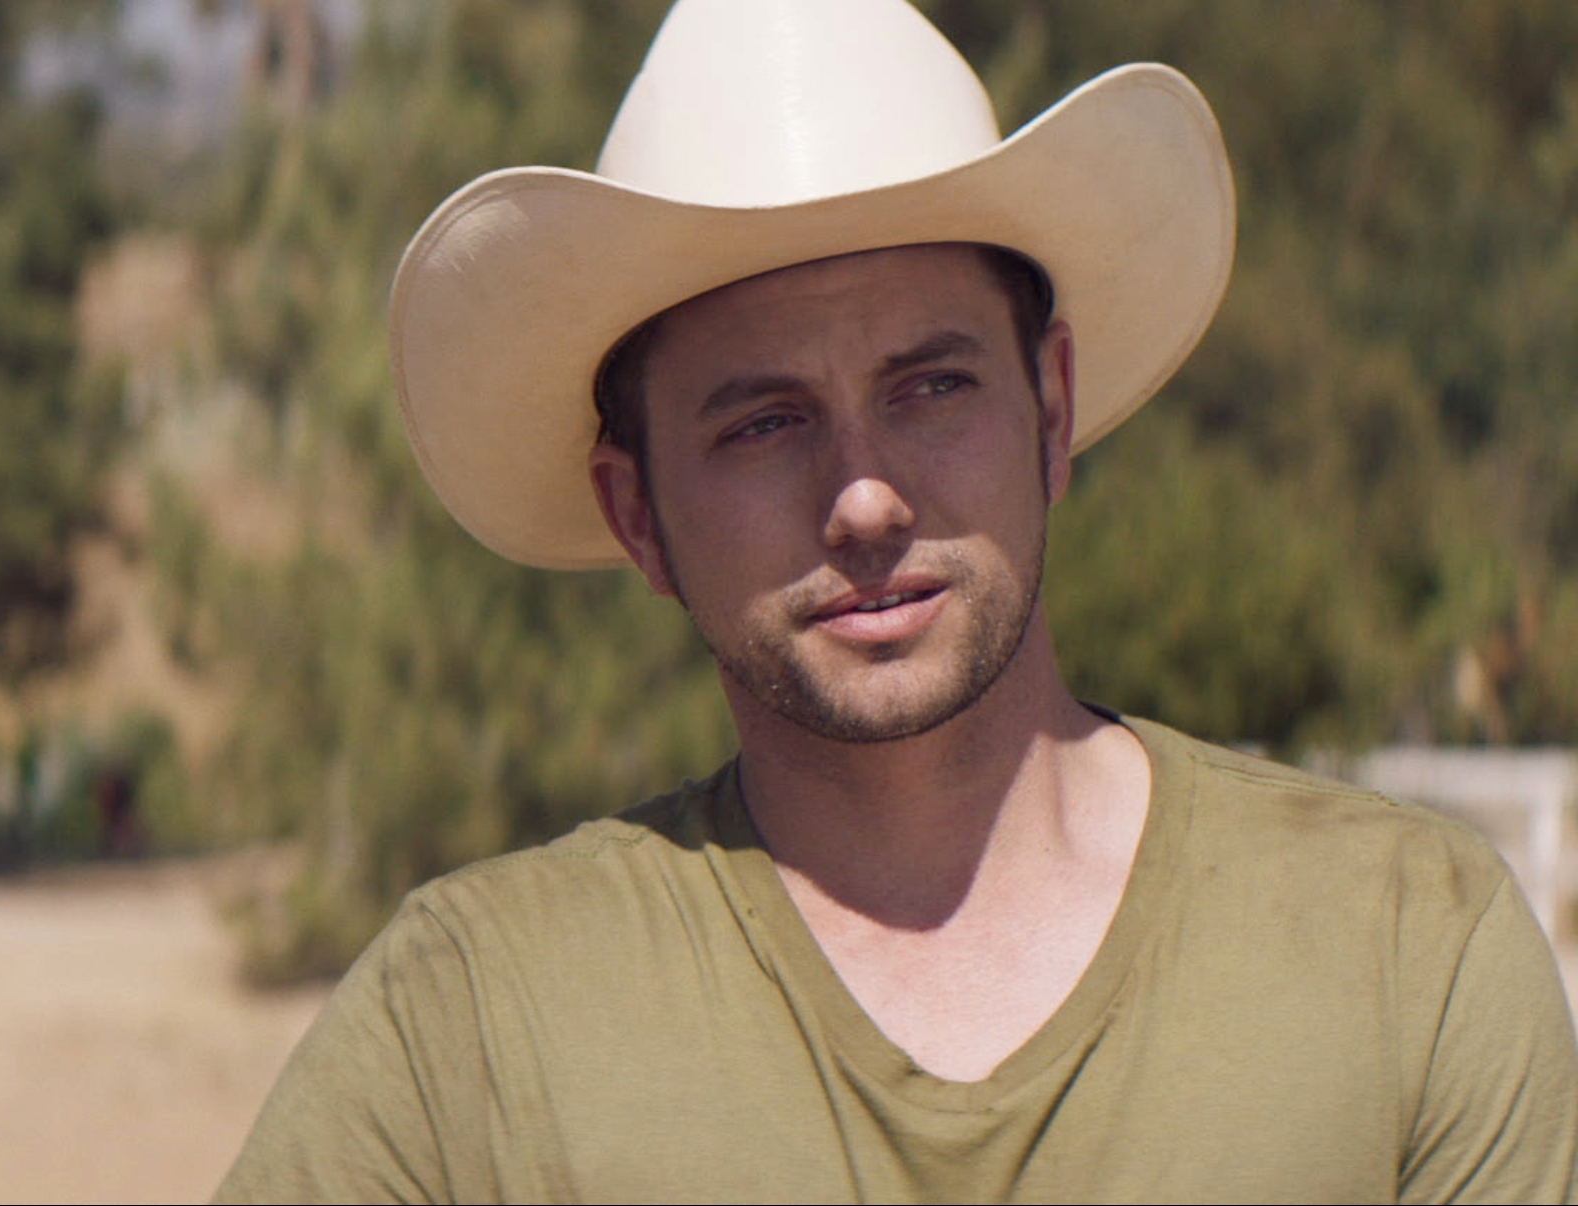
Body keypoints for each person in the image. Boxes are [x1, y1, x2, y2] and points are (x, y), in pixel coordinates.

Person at [217, 1, 1578, 1201]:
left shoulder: (1405, 947)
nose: (864, 497)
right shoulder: (473, 1025)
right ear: (636, 512)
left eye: (933, 386)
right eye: (761, 423)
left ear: (1051, 408)